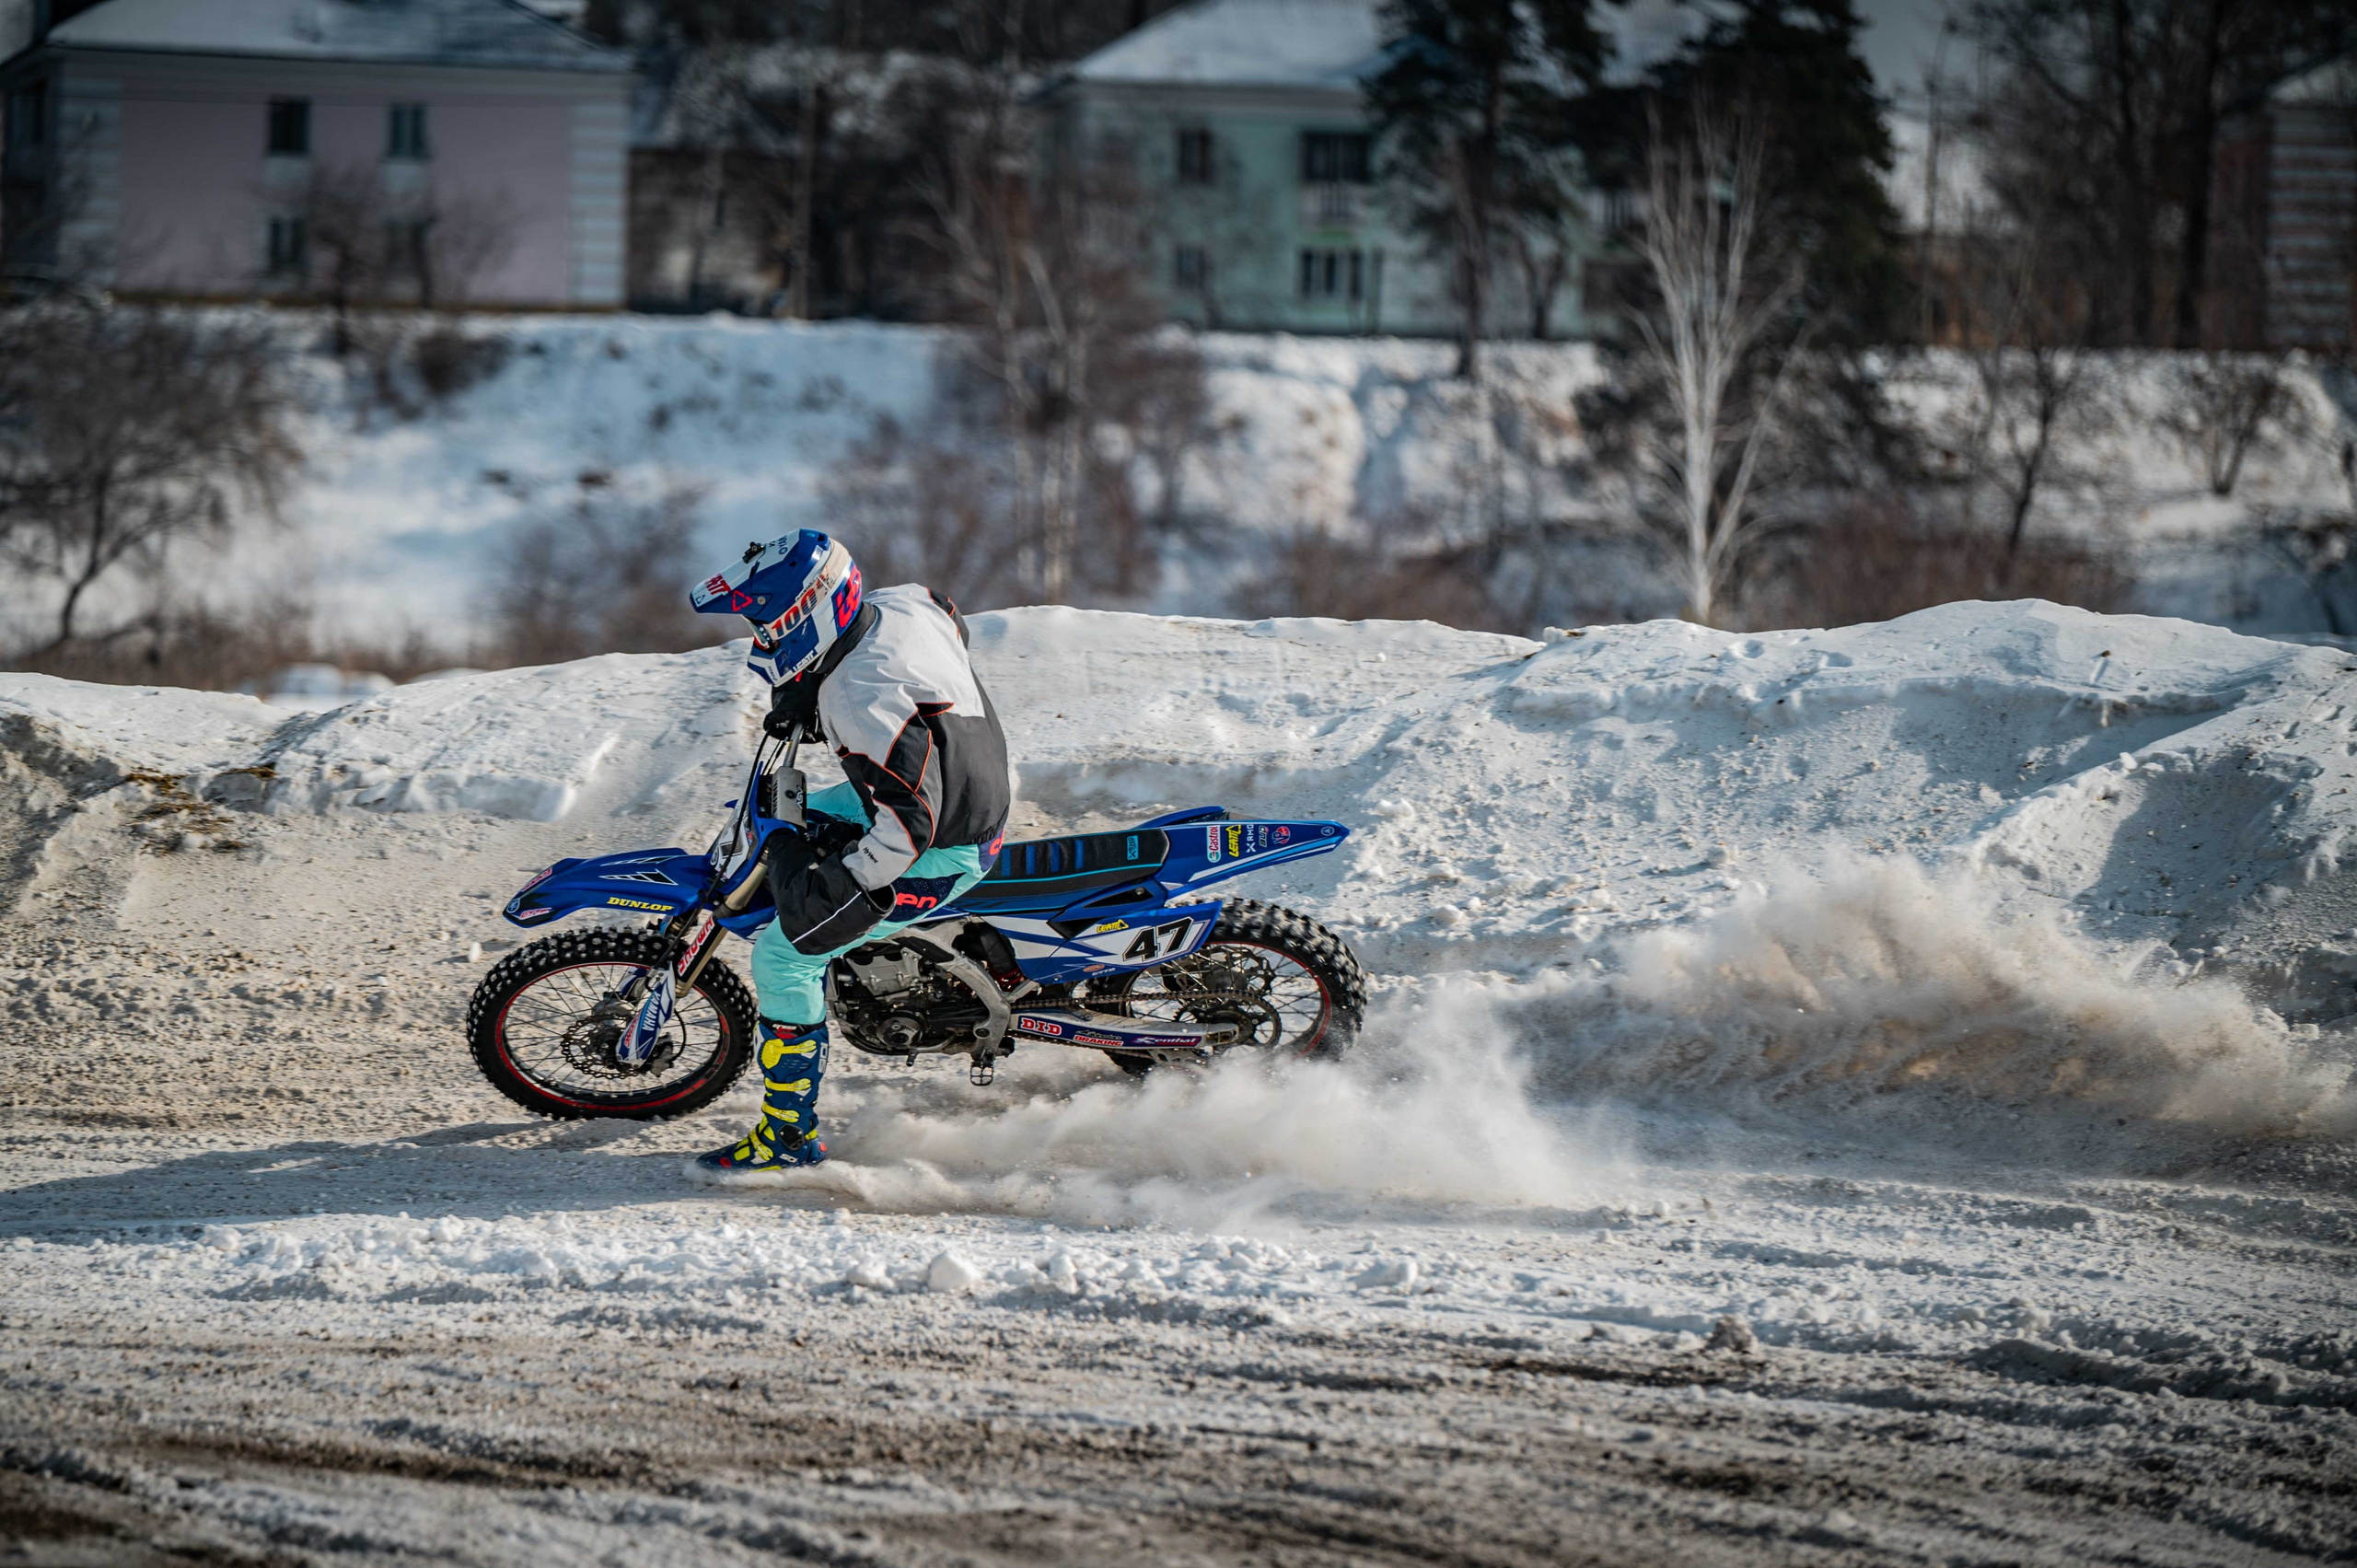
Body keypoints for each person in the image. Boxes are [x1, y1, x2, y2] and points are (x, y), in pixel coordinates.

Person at [685, 531, 1009, 1173]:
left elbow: (908, 829)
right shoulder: (899, 605)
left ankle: (787, 1140)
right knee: (798, 814)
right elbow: (948, 611)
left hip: (948, 842)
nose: (760, 632)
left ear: (806, 613)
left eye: (765, 621)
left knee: (784, 954)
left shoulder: (860, 699)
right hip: (962, 782)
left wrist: (841, 887)